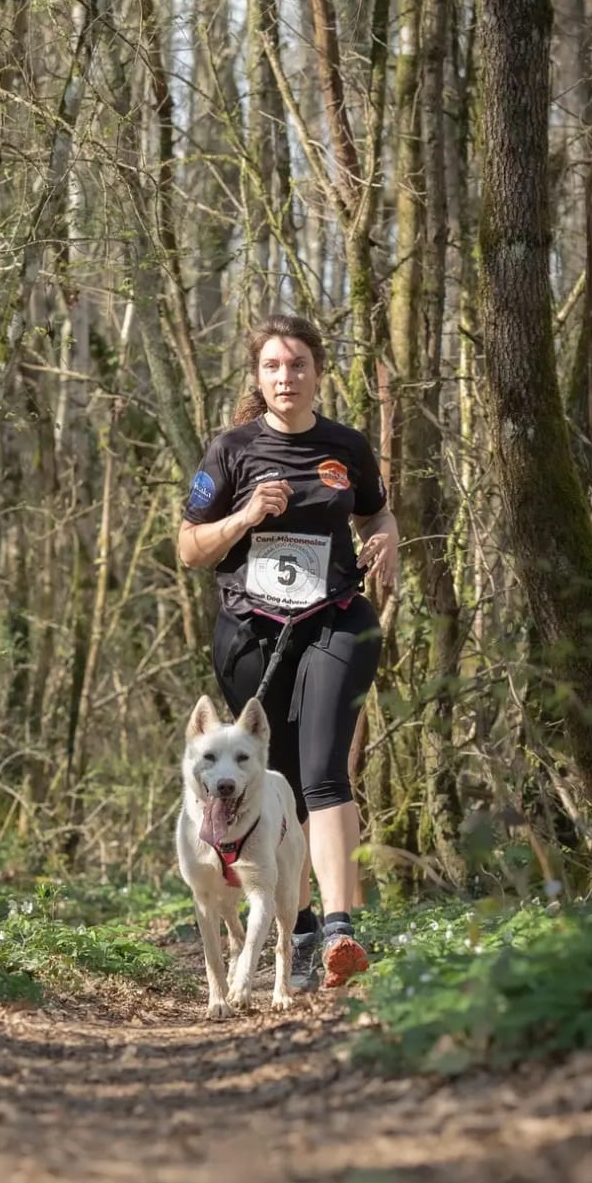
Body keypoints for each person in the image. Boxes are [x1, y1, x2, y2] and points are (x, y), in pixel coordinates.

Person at [177, 314, 399, 989]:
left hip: (334, 618)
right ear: (257, 376)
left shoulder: (346, 445)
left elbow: (377, 512)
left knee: (326, 769)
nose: (285, 377)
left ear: (317, 372)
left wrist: (386, 538)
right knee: (284, 783)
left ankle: (339, 929)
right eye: (273, 366)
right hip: (252, 632)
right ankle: (296, 930)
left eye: (297, 364)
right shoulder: (232, 450)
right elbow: (186, 547)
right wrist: (244, 517)